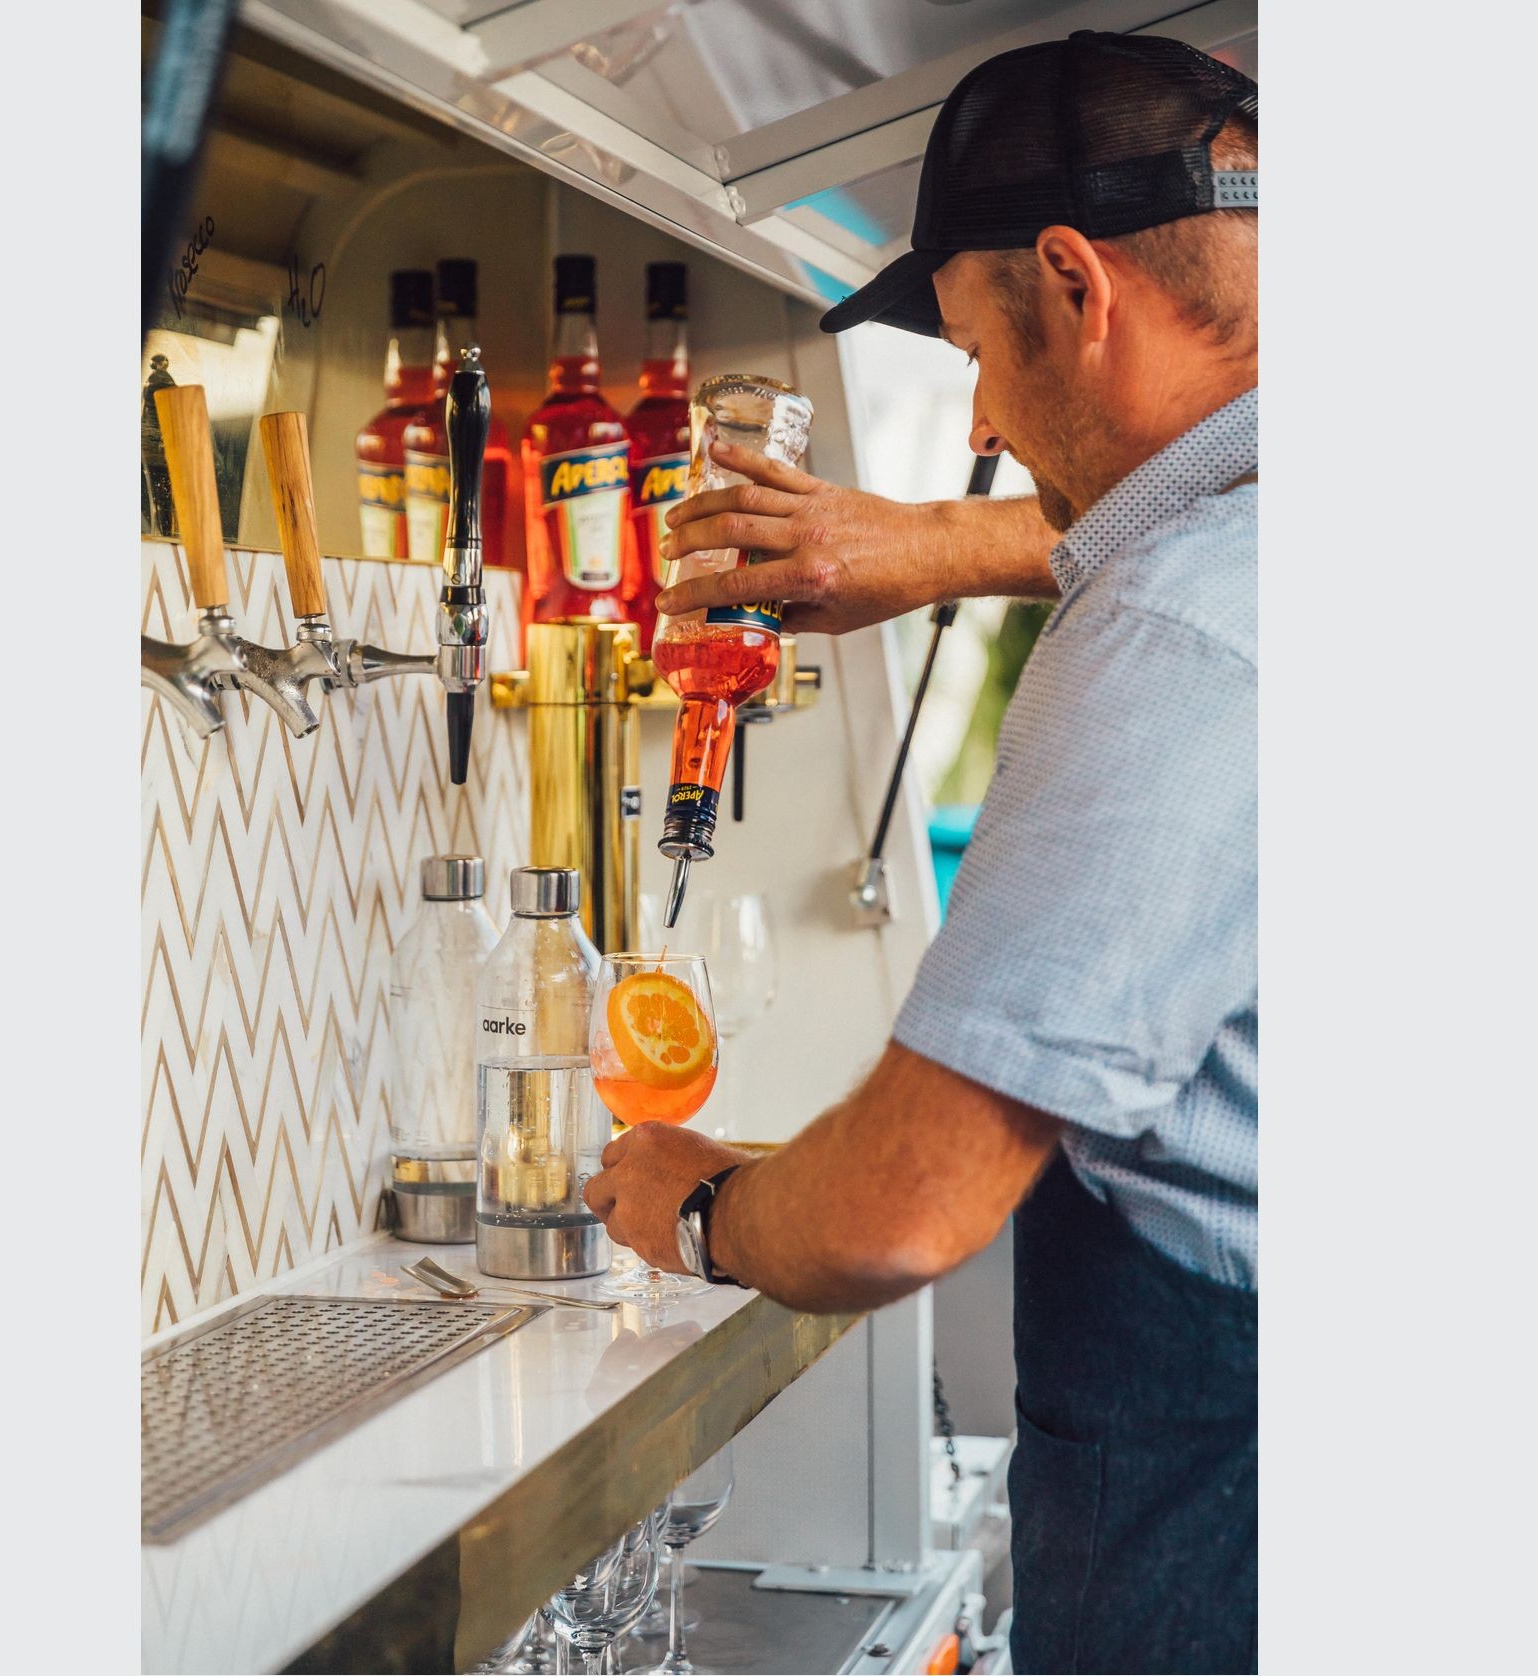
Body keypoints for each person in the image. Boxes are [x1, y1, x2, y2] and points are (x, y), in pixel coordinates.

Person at [583, 30, 1257, 1675]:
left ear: (1076, 286)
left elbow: (898, 1208)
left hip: (1224, 1506)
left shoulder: (1173, 643)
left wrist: (702, 1204)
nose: (982, 414)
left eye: (973, 350)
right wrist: (926, 547)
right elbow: (1166, 515)